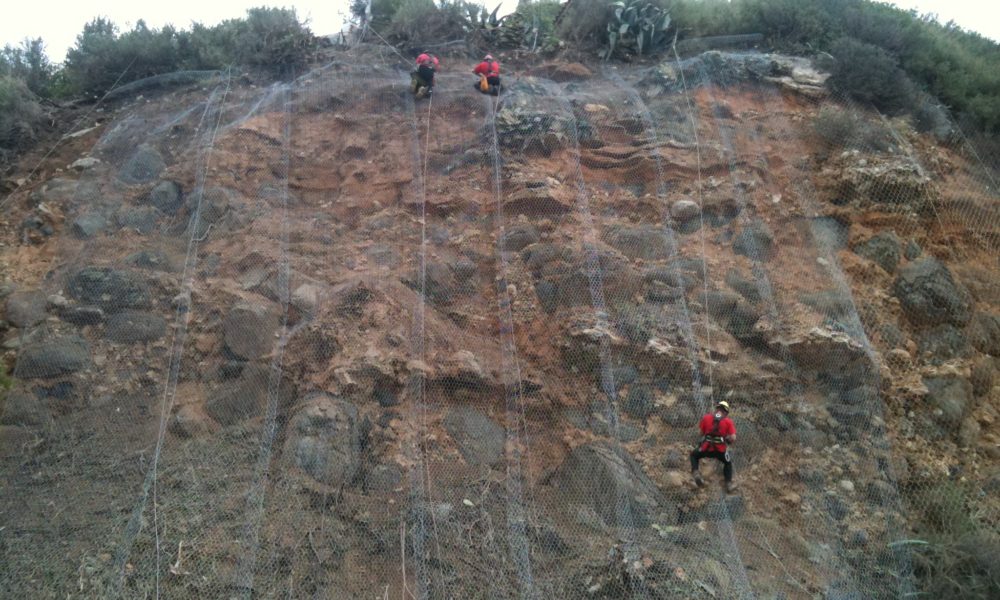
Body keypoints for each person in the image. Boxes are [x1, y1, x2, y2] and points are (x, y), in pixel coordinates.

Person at [690, 400, 738, 493]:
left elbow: (700, 433)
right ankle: (728, 484)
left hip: (706, 448)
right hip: (720, 451)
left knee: (693, 455)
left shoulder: (706, 418)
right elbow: (733, 437)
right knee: (728, 463)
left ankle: (696, 473)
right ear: (726, 412)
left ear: (717, 409)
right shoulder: (728, 421)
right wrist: (727, 439)